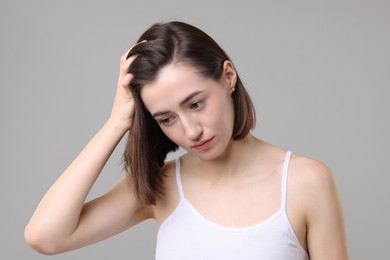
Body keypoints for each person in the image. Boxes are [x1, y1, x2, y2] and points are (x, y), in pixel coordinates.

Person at [25, 21, 349, 259]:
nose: (190, 131)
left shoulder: (306, 182)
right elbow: (45, 236)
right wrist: (116, 123)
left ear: (228, 77)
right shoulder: (160, 187)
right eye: (167, 119)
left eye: (196, 104)